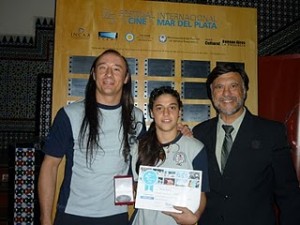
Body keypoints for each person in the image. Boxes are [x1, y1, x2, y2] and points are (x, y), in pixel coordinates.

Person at [38, 49, 191, 225]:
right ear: (94, 74)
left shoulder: (136, 116)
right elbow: (49, 166)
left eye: (117, 69)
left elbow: (149, 154)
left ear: (126, 78)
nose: (109, 73)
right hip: (73, 213)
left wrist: (179, 135)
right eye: (102, 67)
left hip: (116, 215)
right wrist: (46, 219)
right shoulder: (70, 114)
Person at [192, 63, 300, 225]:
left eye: (233, 86)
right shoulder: (200, 132)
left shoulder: (271, 132)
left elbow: (288, 193)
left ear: (244, 91)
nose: (226, 93)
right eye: (219, 87)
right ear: (212, 93)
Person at [130, 86, 209, 225]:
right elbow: (134, 186)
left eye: (172, 107)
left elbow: (201, 194)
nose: (166, 113)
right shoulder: (138, 147)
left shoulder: (196, 149)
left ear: (179, 111)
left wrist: (195, 216)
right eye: (159, 108)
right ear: (151, 112)